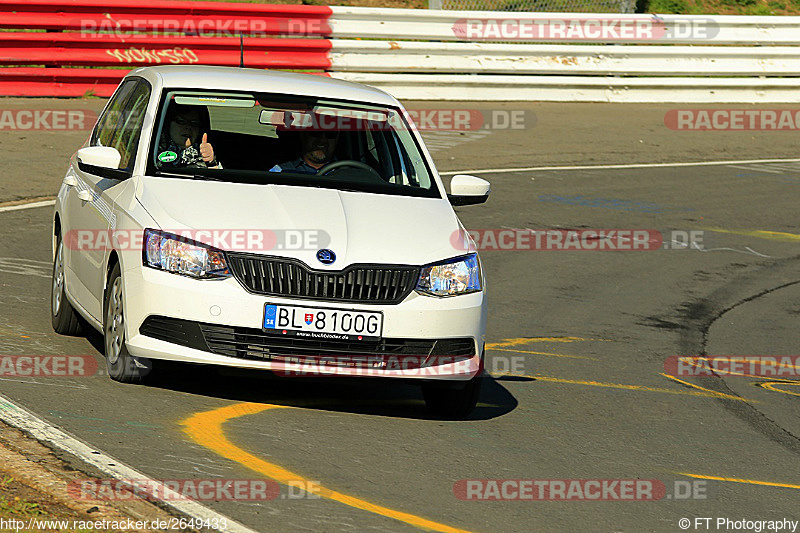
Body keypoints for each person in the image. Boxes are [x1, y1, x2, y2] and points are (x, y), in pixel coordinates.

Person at [157, 104, 221, 169]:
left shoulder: (208, 152)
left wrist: (211, 163)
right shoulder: (152, 149)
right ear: (169, 125)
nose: (188, 127)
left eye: (194, 123)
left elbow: (217, 177)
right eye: (181, 121)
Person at [270, 130, 338, 174]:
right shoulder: (281, 171)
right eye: (316, 133)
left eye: (330, 134)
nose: (322, 140)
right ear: (303, 135)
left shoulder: (346, 172)